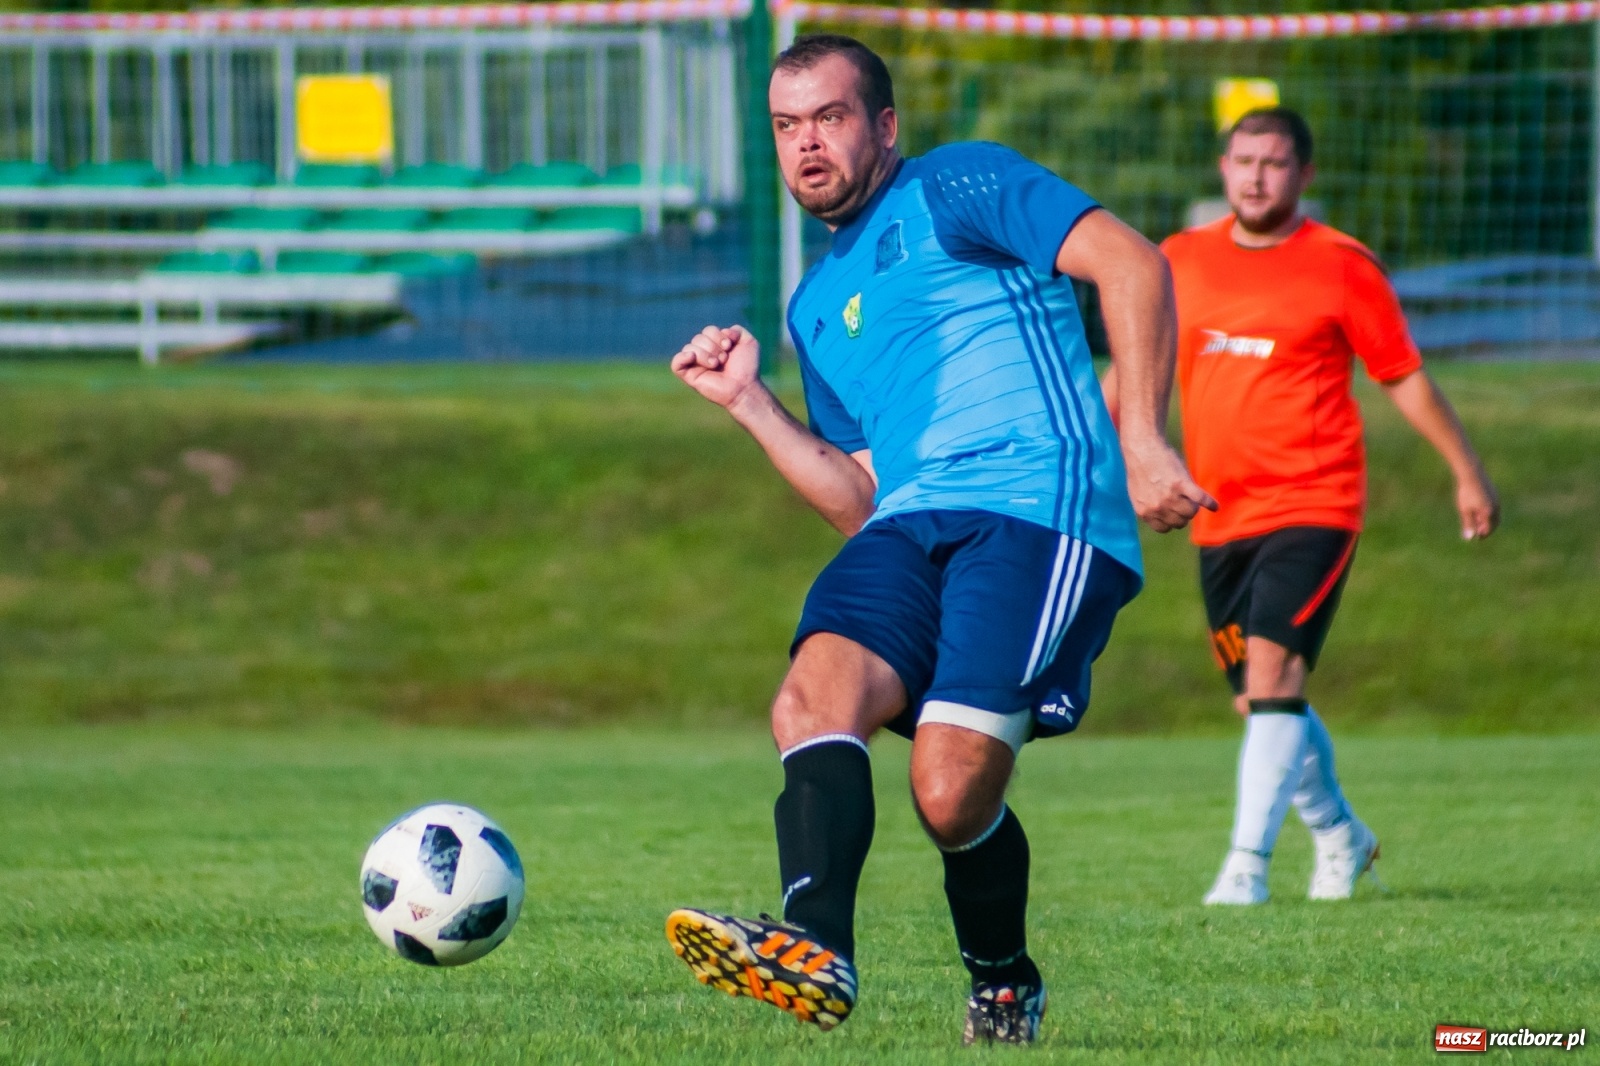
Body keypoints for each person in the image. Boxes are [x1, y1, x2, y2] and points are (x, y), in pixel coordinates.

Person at [663, 33, 1213, 1045]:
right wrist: (750, 404)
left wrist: (1139, 437)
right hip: (910, 520)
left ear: (883, 126)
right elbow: (858, 495)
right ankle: (816, 945)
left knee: (950, 795)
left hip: (1035, 504)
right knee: (809, 695)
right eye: (786, 127)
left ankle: (1001, 976)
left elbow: (1132, 264)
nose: (807, 145)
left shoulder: (960, 181)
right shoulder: (813, 306)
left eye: (828, 118)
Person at [1105, 106, 1499, 907]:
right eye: (1244, 160)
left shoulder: (1342, 265)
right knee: (1261, 700)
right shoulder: (1178, 260)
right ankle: (1342, 837)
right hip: (1216, 512)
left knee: (1276, 675)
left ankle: (1245, 868)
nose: (1256, 176)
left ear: (1304, 175)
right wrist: (1085, 454)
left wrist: (1467, 470)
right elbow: (1130, 370)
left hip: (1315, 502)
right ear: (1223, 168)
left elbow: (1403, 376)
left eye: (1275, 162)